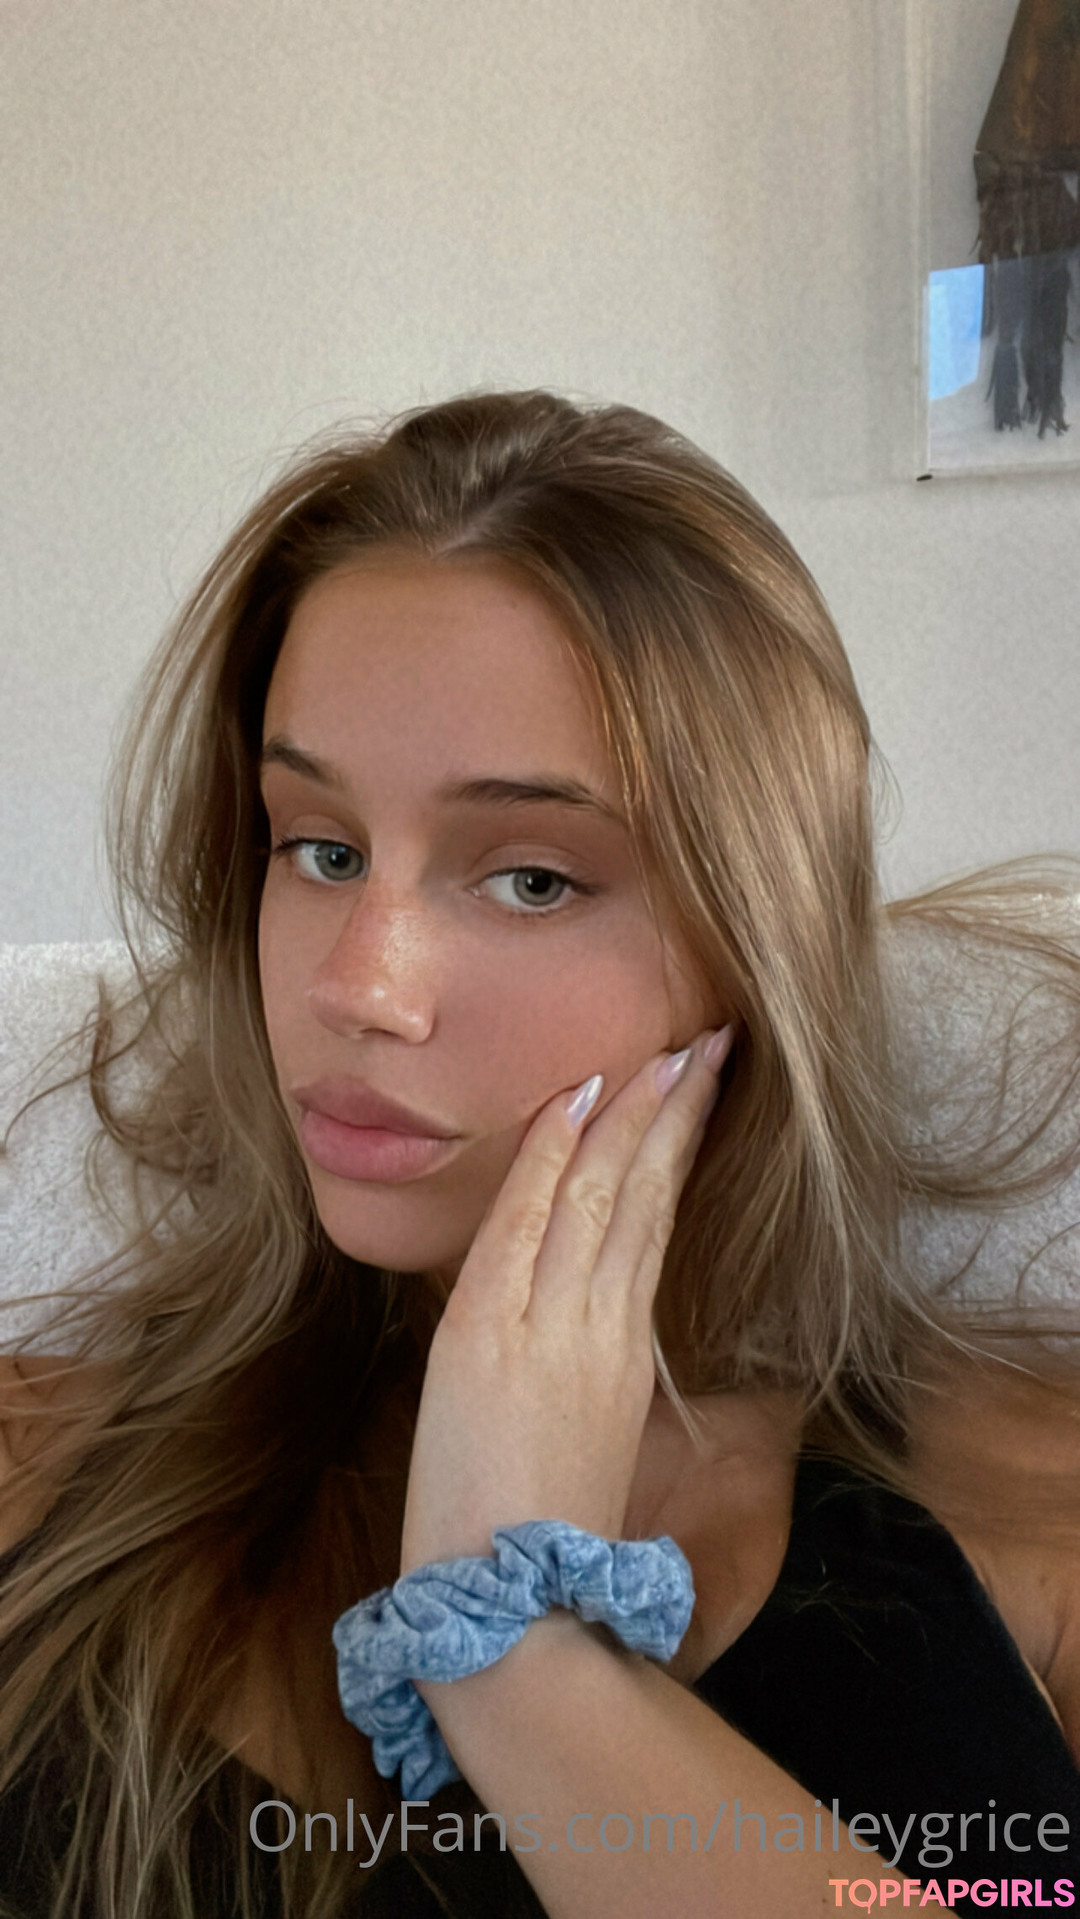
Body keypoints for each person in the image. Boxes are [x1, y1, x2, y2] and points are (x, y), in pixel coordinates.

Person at [0, 388, 1078, 1919]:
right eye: (320, 848)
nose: (358, 989)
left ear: (755, 942)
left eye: (530, 879)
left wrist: (518, 1655)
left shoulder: (1034, 1509)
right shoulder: (40, 1469)